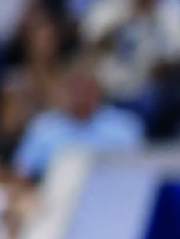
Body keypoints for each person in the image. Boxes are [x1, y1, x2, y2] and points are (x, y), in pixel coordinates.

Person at [14, 61, 145, 180]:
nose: (81, 97)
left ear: (98, 91)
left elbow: (139, 172)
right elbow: (22, 172)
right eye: (75, 90)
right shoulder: (44, 127)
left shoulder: (123, 126)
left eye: (87, 90)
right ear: (64, 91)